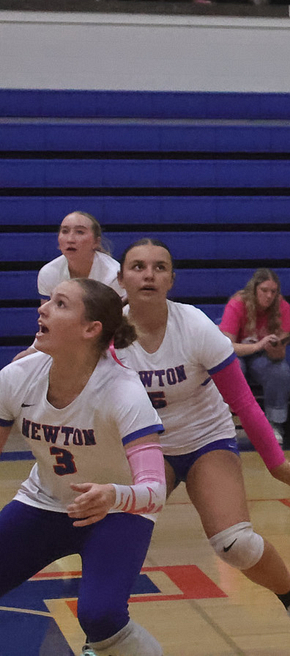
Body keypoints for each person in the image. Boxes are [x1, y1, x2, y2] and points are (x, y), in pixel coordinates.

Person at [112, 239, 290, 652]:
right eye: (138, 266)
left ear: (171, 279)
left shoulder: (194, 326)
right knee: (114, 537)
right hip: (146, 445)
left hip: (205, 439)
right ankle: (104, 632)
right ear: (121, 278)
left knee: (236, 544)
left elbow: (243, 402)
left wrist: (277, 465)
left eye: (159, 267)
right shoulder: (107, 331)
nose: (148, 275)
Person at [0, 279, 168, 656]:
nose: (43, 308)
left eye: (60, 304)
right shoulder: (16, 378)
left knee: (100, 616)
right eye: (48, 300)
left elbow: (156, 491)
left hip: (117, 512)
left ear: (91, 329)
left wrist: (114, 495)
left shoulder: (124, 392)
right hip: (43, 503)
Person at [219, 269, 290, 442]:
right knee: (233, 368)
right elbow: (227, 346)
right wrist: (257, 346)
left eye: (273, 292)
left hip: (262, 356)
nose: (269, 296)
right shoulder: (238, 303)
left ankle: (274, 424)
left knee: (281, 371)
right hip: (237, 352)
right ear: (254, 289)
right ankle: (225, 423)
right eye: (264, 290)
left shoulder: (282, 306)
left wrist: (277, 351)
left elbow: (280, 352)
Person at [38, 211, 123, 299]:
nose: (70, 239)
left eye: (80, 232)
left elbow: (120, 308)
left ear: (96, 242)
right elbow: (47, 308)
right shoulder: (49, 272)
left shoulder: (114, 275)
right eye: (65, 231)